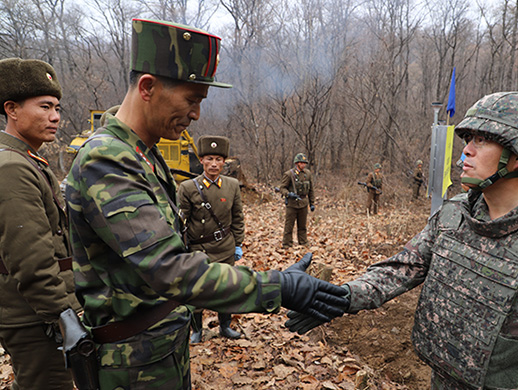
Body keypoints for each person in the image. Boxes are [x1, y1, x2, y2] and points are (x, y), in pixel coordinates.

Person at [65, 18, 348, 389]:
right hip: (131, 364)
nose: (196, 114)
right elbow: (170, 268)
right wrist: (279, 287)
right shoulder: (106, 161)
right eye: (191, 100)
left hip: (160, 349)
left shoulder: (142, 155)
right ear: (148, 87)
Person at [287, 91, 518, 389]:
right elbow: (400, 269)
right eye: (468, 139)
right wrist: (341, 297)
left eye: (481, 141)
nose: (466, 151)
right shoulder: (454, 214)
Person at [0, 58, 80, 389]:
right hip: (36, 318)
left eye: (57, 107)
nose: (55, 117)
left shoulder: (29, 161)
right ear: (12, 109)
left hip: (40, 313)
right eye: (45, 106)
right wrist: (63, 316)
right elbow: (31, 258)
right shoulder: (12, 168)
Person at [178, 135, 244, 341]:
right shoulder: (188, 188)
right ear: (201, 161)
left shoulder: (232, 185)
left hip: (225, 246)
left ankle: (225, 327)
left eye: (218, 159)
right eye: (209, 159)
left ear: (224, 162)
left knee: (226, 289)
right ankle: (196, 330)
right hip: (199, 249)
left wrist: (238, 244)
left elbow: (238, 217)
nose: (214, 164)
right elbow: (181, 221)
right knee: (197, 291)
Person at [279, 153, 315, 248]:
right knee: (289, 226)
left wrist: (312, 203)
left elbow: (311, 190)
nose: (303, 165)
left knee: (302, 226)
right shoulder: (289, 174)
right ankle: (287, 244)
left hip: (303, 203)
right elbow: (282, 188)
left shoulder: (307, 174)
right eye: (301, 163)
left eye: (304, 163)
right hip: (292, 204)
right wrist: (288, 194)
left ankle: (303, 243)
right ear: (297, 163)